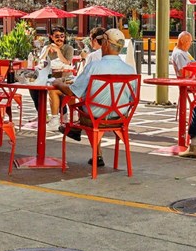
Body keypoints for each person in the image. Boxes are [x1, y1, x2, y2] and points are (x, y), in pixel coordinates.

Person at [54, 28, 138, 167]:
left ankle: (76, 129)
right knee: (91, 103)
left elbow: (72, 92)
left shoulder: (94, 66)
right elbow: (132, 98)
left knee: (85, 106)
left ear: (104, 44)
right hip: (120, 117)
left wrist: (57, 83)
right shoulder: (129, 70)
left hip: (95, 116)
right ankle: (88, 143)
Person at [40, 26, 74, 128]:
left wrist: (58, 51)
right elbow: (40, 61)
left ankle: (60, 116)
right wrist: (46, 50)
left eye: (62, 36)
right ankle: (42, 115)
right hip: (49, 76)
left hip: (65, 77)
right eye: (57, 36)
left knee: (53, 89)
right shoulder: (47, 47)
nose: (60, 38)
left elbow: (67, 62)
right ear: (51, 37)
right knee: (34, 90)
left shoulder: (68, 48)